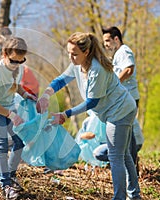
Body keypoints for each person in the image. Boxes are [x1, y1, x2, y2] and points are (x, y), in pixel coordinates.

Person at [36, 32, 141, 200]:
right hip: (120, 109)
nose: (71, 57)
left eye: (74, 54)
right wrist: (46, 95)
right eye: (69, 52)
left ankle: (120, 197)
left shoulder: (96, 69)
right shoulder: (77, 64)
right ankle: (134, 196)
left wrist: (66, 114)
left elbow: (92, 102)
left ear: (86, 52)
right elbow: (61, 80)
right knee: (124, 154)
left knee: (115, 156)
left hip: (120, 111)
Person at [0, 36, 36, 199]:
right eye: (14, 61)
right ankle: (5, 185)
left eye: (21, 61)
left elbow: (16, 86)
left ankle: (11, 175)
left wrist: (26, 94)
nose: (17, 65)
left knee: (20, 141)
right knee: (1, 143)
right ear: (4, 54)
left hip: (9, 107)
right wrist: (11, 115)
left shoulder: (18, 68)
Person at [102, 26, 142, 173]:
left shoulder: (124, 51)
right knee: (126, 134)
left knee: (127, 134)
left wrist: (114, 84)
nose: (106, 44)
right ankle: (131, 169)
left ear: (116, 39)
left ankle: (132, 171)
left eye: (107, 40)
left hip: (130, 98)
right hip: (124, 99)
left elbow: (128, 70)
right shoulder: (118, 53)